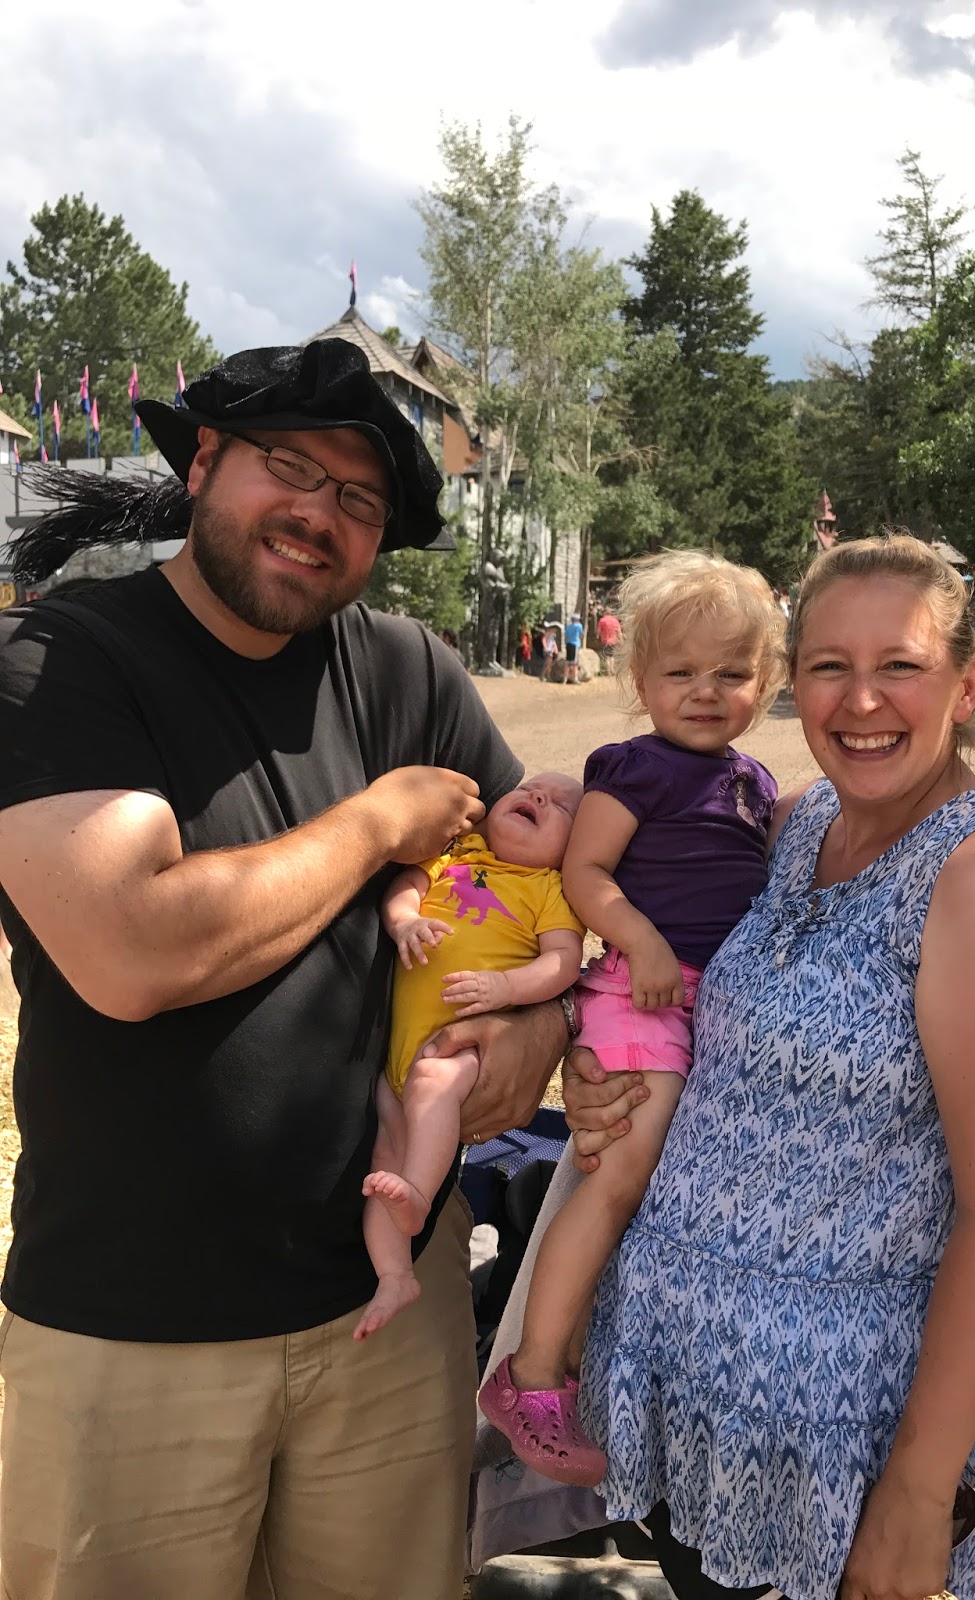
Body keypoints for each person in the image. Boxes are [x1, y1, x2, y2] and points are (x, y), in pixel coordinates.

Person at [0, 339, 571, 1600]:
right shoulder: (62, 660)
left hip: (389, 1309)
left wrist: (537, 1032)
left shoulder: (409, 670)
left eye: (360, 497)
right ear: (205, 460)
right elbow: (130, 949)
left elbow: (553, 871)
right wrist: (377, 823)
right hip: (132, 1329)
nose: (321, 512)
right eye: (291, 468)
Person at [563, 534, 975, 1600]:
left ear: (968, 685)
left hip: (820, 1434)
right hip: (676, 1386)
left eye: (901, 665)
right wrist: (593, 1057)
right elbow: (683, 990)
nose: (861, 699)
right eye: (830, 665)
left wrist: (919, 1491)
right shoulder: (792, 824)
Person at [479, 551, 785, 1488]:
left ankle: (592, 1354)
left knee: (652, 1181)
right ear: (640, 680)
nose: (705, 692)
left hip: (701, 1000)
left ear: (766, 681)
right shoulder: (635, 769)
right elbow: (586, 872)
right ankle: (531, 1377)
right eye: (680, 672)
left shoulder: (752, 780)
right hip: (639, 988)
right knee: (616, 1177)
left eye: (731, 673)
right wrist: (642, 941)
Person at [358, 773, 585, 1339]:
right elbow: (406, 886)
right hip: (397, 1052)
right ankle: (393, 1275)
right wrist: (405, 921)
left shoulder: (549, 889)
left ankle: (419, 1193)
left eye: (561, 806)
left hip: (462, 1048)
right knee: (384, 1156)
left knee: (431, 1087)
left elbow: (562, 962)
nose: (538, 797)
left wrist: (506, 988)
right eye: (531, 788)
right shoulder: (456, 852)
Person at [596, 606, 622, 673]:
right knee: (612, 656)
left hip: (605, 640)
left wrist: (597, 637)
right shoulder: (615, 620)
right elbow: (619, 632)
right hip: (613, 641)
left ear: (605, 613)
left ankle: (608, 671)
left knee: (607, 657)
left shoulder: (602, 620)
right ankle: (612, 669)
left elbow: (598, 632)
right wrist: (621, 640)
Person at [564, 611, 585, 685]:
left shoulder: (568, 626)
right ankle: (575, 679)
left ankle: (565, 679)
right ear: (576, 619)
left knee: (567, 662)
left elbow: (565, 636)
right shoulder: (579, 626)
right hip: (575, 644)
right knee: (575, 663)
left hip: (568, 644)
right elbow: (581, 635)